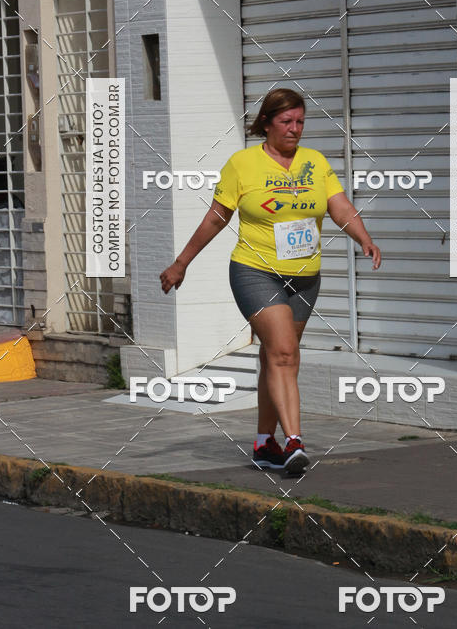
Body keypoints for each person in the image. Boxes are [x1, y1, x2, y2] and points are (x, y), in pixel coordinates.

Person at [160, 89, 381, 474]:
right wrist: (182, 263)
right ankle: (294, 443)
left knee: (273, 357)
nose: (294, 129)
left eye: (299, 122)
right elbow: (216, 217)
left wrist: (363, 237)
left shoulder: (314, 162)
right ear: (266, 123)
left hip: (305, 278)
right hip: (255, 271)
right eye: (286, 122)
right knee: (284, 354)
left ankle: (264, 444)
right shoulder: (242, 164)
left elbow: (338, 205)